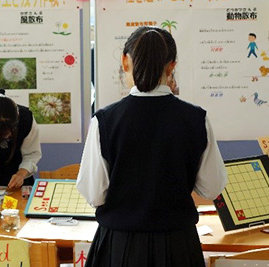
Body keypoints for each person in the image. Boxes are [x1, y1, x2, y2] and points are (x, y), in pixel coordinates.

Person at [76, 26, 227, 267]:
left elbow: (94, 193)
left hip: (120, 246)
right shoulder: (196, 118)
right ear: (171, 67)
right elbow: (211, 188)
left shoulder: (105, 120)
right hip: (178, 246)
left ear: (125, 62)